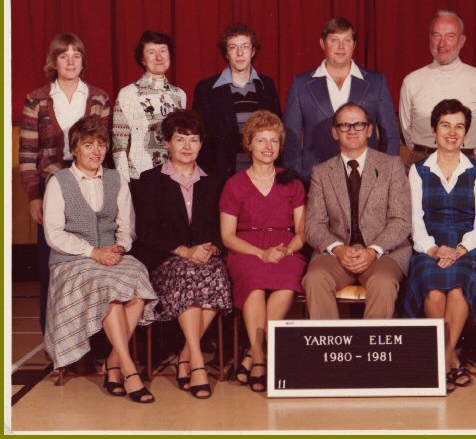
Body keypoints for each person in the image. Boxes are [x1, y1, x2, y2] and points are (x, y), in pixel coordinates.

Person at [43, 115, 157, 403]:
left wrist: (119, 247)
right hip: (71, 260)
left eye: (102, 145)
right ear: (75, 149)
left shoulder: (115, 179)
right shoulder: (59, 182)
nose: (96, 151)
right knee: (109, 289)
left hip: (111, 254)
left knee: (137, 284)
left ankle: (112, 363)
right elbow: (53, 234)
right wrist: (92, 252)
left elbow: (126, 226)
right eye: (88, 145)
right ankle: (128, 370)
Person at [133, 110, 232, 399]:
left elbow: (218, 225)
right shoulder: (150, 180)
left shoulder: (213, 181)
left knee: (216, 274)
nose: (187, 146)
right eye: (180, 139)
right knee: (190, 274)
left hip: (204, 258)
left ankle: (186, 354)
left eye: (194, 140)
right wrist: (185, 251)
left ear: (201, 144)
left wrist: (211, 246)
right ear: (167, 142)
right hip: (165, 260)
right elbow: (147, 231)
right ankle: (197, 361)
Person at [19, 32, 111, 334]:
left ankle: (92, 337)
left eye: (76, 55)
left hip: (91, 186)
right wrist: (34, 195)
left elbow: (104, 149)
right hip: (52, 187)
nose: (70, 61)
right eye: (63, 55)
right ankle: (54, 335)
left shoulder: (98, 98)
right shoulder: (37, 100)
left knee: (91, 260)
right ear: (53, 62)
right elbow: (29, 153)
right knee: (52, 263)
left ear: (83, 60)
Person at [401, 99, 476, 394]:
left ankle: (439, 360)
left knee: (458, 285)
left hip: (468, 246)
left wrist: (462, 249)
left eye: (459, 127)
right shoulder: (418, 170)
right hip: (429, 245)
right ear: (433, 129)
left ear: (466, 133)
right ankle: (451, 359)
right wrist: (432, 249)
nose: (452, 133)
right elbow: (414, 221)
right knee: (432, 283)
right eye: (445, 126)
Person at [220, 111, 307, 392]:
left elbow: (303, 232)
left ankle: (251, 355)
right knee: (255, 284)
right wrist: (261, 254)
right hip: (247, 250)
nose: (268, 147)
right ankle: (261, 358)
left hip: (286, 249)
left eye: (274, 141)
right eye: (261, 141)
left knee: (286, 282)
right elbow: (227, 236)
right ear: (249, 144)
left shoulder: (293, 182)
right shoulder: (234, 185)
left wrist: (287, 249)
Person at [303, 102, 412, 320]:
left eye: (359, 125)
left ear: (370, 130)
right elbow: (313, 225)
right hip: (337, 253)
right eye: (345, 125)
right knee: (315, 278)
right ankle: (330, 351)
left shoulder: (392, 166)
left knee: (383, 283)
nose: (352, 130)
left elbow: (401, 220)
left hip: (383, 253)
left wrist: (373, 250)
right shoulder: (321, 172)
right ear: (335, 132)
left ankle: (372, 351)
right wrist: (339, 250)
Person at [283, 17, 400, 182]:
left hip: (367, 179)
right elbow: (291, 140)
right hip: (315, 180)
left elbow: (391, 136)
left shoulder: (376, 82)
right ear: (323, 44)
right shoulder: (301, 84)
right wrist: (294, 184)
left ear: (354, 45)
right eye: (334, 40)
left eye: (347, 40)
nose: (341, 47)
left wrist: (387, 178)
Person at [399, 10, 476, 166]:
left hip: (465, 162)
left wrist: (468, 154)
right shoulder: (411, 81)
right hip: (421, 162)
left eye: (450, 37)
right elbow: (405, 129)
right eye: (437, 36)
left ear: (462, 40)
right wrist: (424, 154)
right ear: (430, 39)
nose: (442, 44)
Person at [194, 24, 281, 184]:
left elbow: (277, 131)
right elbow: (201, 138)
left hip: (263, 168)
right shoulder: (206, 88)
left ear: (253, 51)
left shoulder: (267, 85)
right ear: (226, 53)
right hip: (222, 174)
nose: (240, 53)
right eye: (233, 47)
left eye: (245, 47)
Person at [112, 30, 187, 182]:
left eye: (163, 51)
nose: (159, 57)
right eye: (152, 52)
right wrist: (124, 183)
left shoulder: (180, 95)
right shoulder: (128, 94)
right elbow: (119, 146)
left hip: (174, 175)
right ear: (142, 59)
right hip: (140, 176)